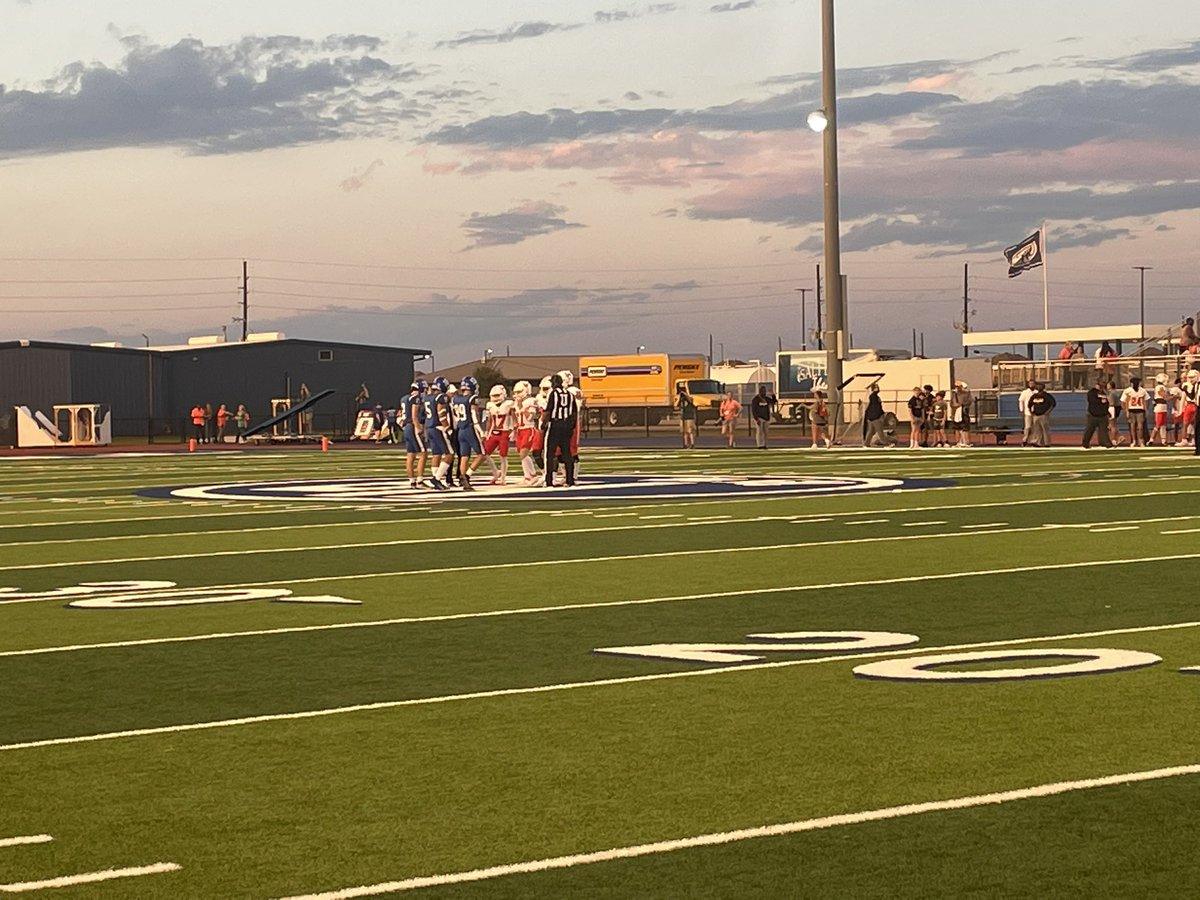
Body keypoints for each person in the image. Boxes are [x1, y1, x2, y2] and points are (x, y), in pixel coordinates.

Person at [542, 373, 578, 487]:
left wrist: (543, 424)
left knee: (550, 453)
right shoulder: (569, 394)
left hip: (556, 424)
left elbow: (548, 410)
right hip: (567, 425)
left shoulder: (553, 393)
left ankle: (549, 480)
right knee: (567, 453)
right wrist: (572, 426)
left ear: (554, 383)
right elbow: (574, 412)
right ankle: (570, 479)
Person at [402, 381, 428, 489]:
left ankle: (412, 481)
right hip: (413, 426)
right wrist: (419, 429)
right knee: (423, 453)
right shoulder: (415, 399)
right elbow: (414, 416)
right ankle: (420, 481)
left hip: (407, 427)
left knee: (410, 455)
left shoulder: (404, 398)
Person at [1082, 379, 1113, 449]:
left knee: (1104, 431)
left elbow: (1106, 403)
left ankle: (1106, 443)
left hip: (1103, 416)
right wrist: (1101, 401)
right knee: (1089, 430)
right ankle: (1085, 443)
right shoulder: (1092, 392)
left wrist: (1107, 412)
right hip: (1093, 415)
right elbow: (1092, 400)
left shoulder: (1104, 393)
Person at [1121, 376, 1149, 447]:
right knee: (1132, 426)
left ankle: (1140, 440)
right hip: (1131, 410)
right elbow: (1123, 401)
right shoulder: (1127, 391)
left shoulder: (1142, 391)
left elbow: (1146, 400)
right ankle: (1134, 440)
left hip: (1140, 410)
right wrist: (1126, 410)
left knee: (1140, 426)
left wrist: (1146, 409)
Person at [1028, 382, 1056, 446]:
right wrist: (1031, 412)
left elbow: (1053, 404)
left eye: (1040, 386)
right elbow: (1029, 405)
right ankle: (1038, 442)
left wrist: (1047, 412)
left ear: (1043, 387)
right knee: (1036, 430)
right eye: (1037, 386)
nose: (1038, 387)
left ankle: (1047, 443)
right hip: (1036, 415)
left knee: (1045, 429)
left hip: (1043, 415)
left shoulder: (1047, 396)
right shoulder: (1034, 396)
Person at [951, 380, 972, 447]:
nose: (957, 388)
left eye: (958, 386)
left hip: (964, 412)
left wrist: (961, 405)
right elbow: (952, 404)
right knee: (957, 428)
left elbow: (969, 402)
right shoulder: (954, 395)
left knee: (965, 427)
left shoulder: (966, 394)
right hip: (956, 413)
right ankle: (958, 442)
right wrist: (955, 406)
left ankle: (966, 442)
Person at [676, 383, 697, 449]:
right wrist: (679, 398)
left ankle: (692, 444)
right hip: (683, 416)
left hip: (689, 416)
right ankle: (685, 444)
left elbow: (690, 401)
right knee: (684, 431)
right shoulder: (680, 398)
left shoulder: (690, 397)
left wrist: (685, 394)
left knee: (690, 430)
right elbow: (676, 405)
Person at [1017, 379, 1036, 446]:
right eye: (1030, 383)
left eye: (1033, 383)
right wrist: (1021, 410)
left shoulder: (1036, 392)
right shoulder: (1025, 392)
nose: (1031, 385)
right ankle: (1025, 440)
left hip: (1036, 413)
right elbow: (1021, 401)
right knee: (1027, 427)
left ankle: (1033, 441)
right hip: (1027, 413)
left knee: (1034, 428)